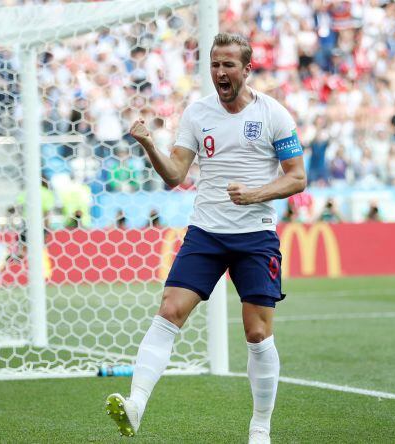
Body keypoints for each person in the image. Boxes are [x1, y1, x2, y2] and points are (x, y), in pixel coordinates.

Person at [104, 33, 306, 444]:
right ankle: (136, 404)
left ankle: (260, 428)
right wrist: (149, 145)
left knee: (257, 333)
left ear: (247, 69)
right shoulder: (197, 113)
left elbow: (297, 177)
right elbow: (175, 174)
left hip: (255, 236)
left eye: (228, 64)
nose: (220, 72)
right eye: (215, 64)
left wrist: (255, 194)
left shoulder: (274, 114)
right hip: (206, 233)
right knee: (170, 309)